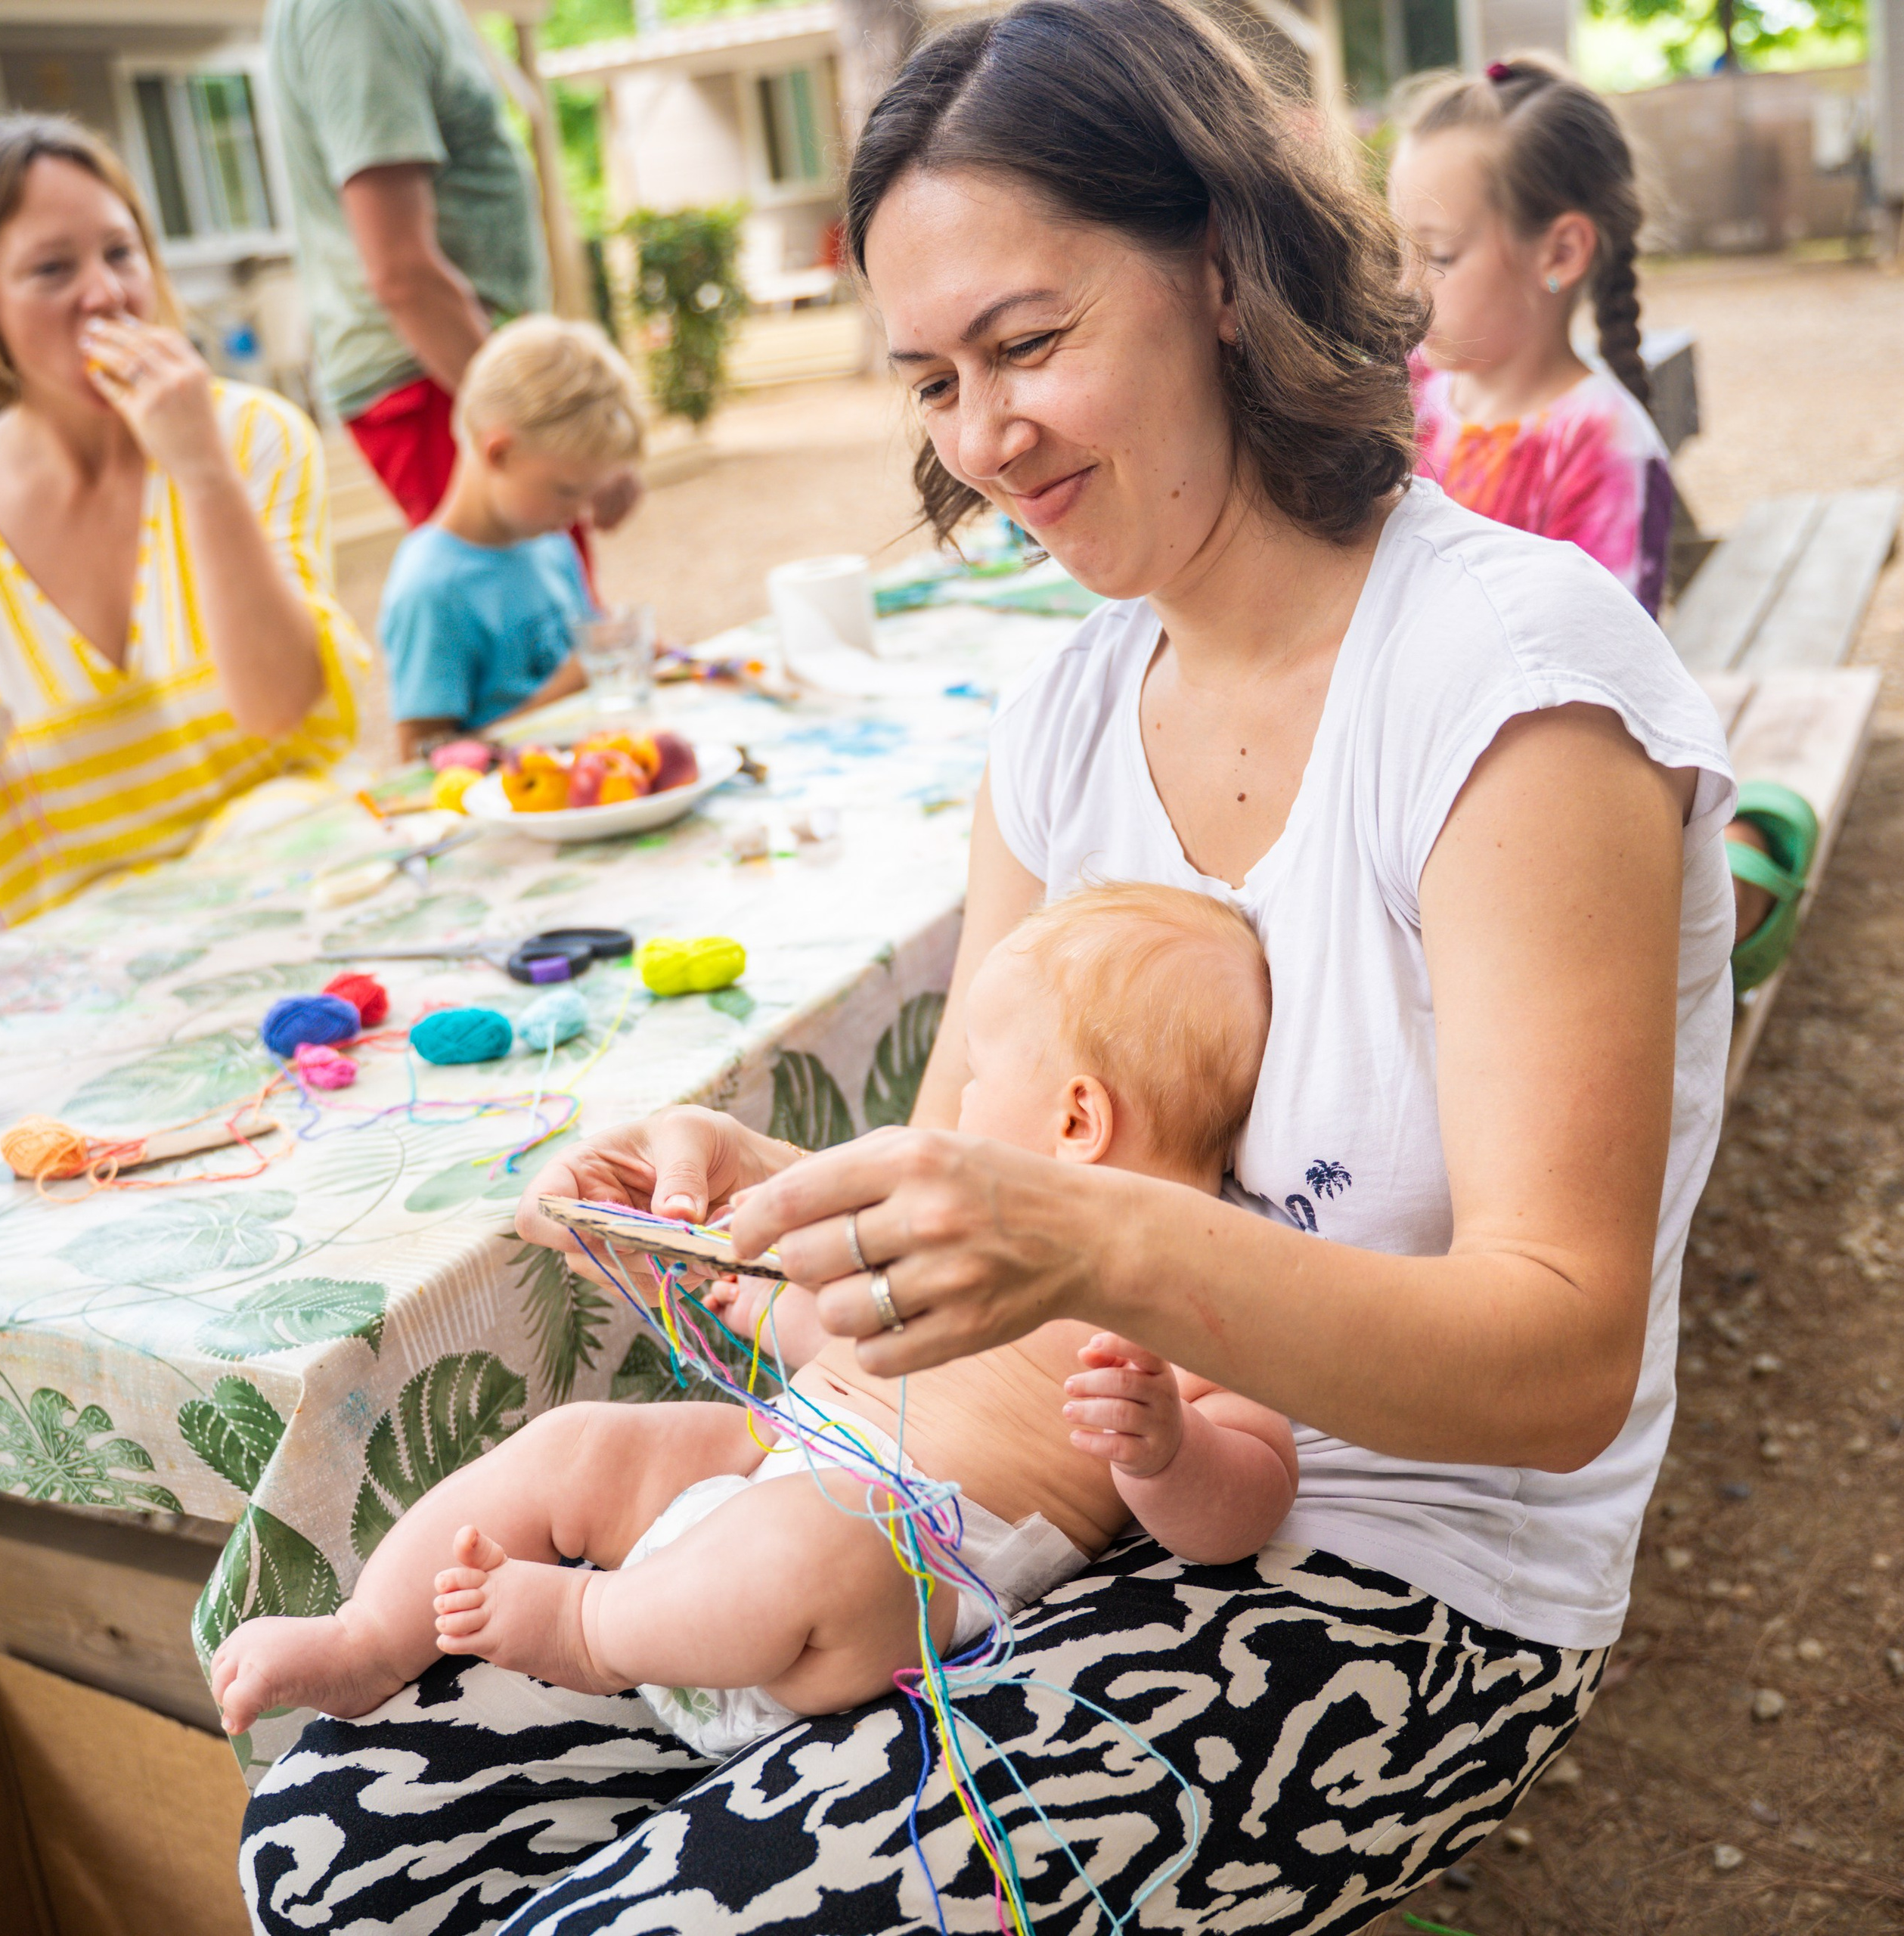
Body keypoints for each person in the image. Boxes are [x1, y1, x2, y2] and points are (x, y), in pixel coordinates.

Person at [237, 2, 1735, 1929]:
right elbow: (955, 1235)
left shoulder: (1505, 688)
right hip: (999, 1503)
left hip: (1391, 1575)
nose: (982, 434)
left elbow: (1555, 1363)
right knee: (345, 1831)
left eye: (1027, 343)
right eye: (932, 378)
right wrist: (764, 1210)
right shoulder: (1064, 716)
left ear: (1221, 269)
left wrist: (1092, 1242)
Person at [209, 883, 1297, 1754]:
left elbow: (1244, 1505)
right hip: (773, 1462)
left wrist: (1169, 1449)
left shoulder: (1192, 1292)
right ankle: (365, 1638)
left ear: (1073, 1119)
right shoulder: (960, 1228)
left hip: (871, 1591)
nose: (955, 1107)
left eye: (976, 1081)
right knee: (580, 1442)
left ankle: (584, 1630)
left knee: (818, 1537)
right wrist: (777, 1315)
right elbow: (869, 1350)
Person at [1387, 54, 1816, 993]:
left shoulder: (1605, 450)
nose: (1404, 282)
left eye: (1440, 255)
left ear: (1561, 252)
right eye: (1397, 247)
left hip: (1536, 769)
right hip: (1411, 740)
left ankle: (1743, 864)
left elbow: (1590, 690)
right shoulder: (1409, 388)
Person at [0, 115, 364, 928]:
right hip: (78, 973)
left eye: (121, 253)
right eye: (51, 269)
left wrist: (202, 472)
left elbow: (279, 707)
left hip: (305, 908)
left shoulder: (256, 438)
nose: (106, 294)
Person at [265, 0, 642, 557]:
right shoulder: (358, 11)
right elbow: (402, 273)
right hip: (433, 368)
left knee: (556, 612)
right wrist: (559, 427)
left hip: (460, 370)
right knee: (516, 614)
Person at [378, 316, 645, 759]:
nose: (577, 514)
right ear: (498, 453)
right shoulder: (432, 588)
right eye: (566, 492)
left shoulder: (548, 544)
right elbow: (420, 762)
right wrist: (565, 690)